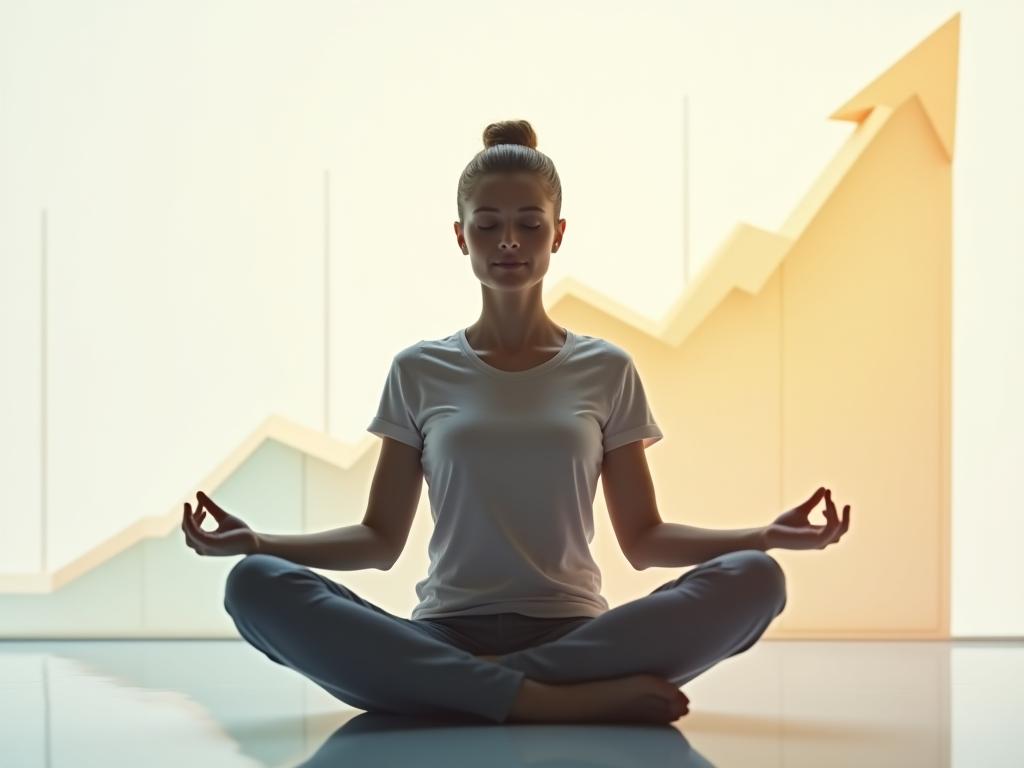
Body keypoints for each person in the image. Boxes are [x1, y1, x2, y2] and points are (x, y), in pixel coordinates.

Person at [181, 119, 851, 725]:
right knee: (254, 585)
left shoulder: (606, 369)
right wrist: (256, 543)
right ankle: (548, 701)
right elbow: (378, 540)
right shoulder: (418, 370)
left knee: (758, 578)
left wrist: (764, 534)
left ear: (558, 233)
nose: (509, 240)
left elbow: (644, 539)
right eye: (487, 223)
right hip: (445, 631)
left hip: (578, 638)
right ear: (460, 236)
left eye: (530, 224)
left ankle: (461, 692)